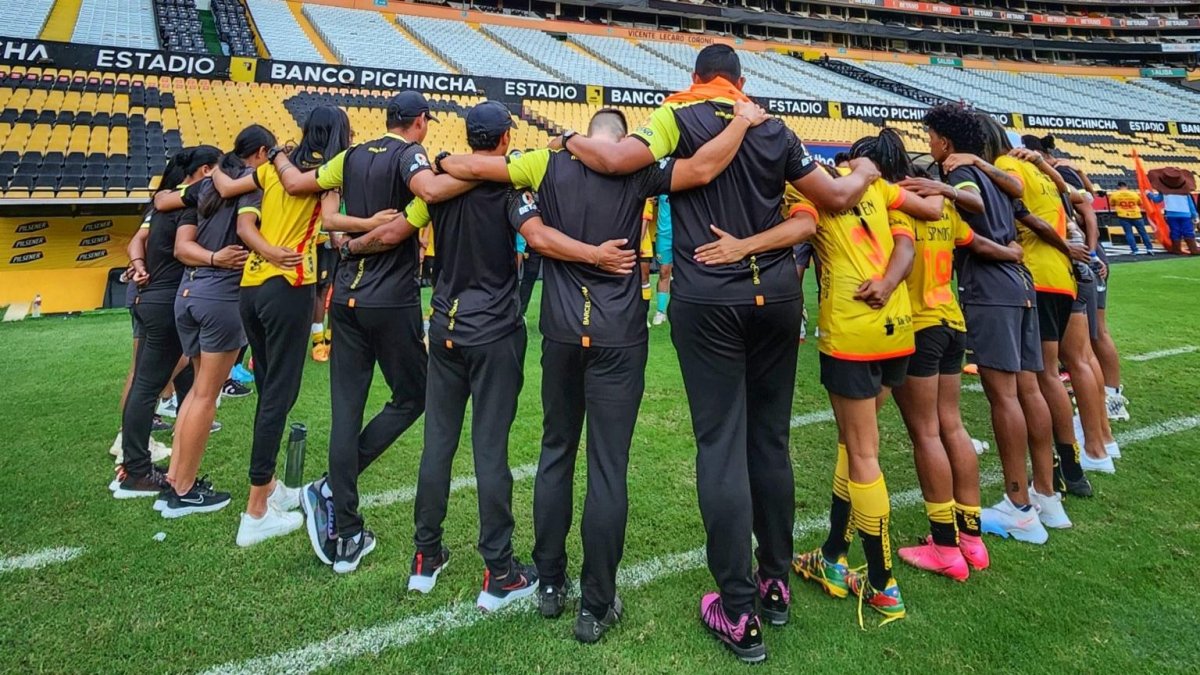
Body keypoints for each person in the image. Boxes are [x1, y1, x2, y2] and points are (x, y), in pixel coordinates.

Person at [549, 44, 881, 662]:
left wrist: (566, 138)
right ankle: (775, 585)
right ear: (740, 81)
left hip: (707, 299)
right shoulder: (771, 123)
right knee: (769, 441)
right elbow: (832, 199)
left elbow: (621, 158)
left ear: (696, 78)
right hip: (777, 295)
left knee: (721, 443)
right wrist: (865, 171)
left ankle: (737, 607)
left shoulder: (678, 113)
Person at [442, 101, 771, 641]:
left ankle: (549, 584)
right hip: (619, 332)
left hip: (563, 331)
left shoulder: (541, 164)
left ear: (589, 138)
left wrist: (434, 156)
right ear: (621, 142)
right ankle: (595, 605)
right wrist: (741, 121)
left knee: (555, 452)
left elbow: (470, 166)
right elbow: (706, 167)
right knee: (607, 468)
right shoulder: (640, 170)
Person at [280, 91, 475, 572]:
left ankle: (343, 521)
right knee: (414, 395)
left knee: (346, 409)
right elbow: (428, 191)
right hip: (390, 302)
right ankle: (330, 488)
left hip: (345, 296)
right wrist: (476, 171)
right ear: (421, 123)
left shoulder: (349, 156)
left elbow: (299, 185)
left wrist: (280, 156)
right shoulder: (411, 154)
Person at [790, 129, 944, 625]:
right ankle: (833, 555)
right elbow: (926, 220)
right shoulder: (883, 191)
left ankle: (882, 584)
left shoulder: (815, 186)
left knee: (863, 452)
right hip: (897, 332)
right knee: (853, 442)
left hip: (852, 333)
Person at [903, 105, 1050, 545]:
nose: (929, 144)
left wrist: (938, 187)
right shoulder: (992, 169)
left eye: (931, 137)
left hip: (990, 290)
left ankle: (1019, 505)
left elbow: (973, 202)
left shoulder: (958, 175)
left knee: (1004, 396)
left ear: (945, 142)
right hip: (1019, 285)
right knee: (1029, 389)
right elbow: (1013, 189)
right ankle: (1043, 494)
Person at [209, 106, 355, 547]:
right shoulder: (325, 173)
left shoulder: (275, 167)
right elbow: (330, 225)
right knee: (279, 394)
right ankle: (255, 512)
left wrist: (218, 159)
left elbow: (230, 185)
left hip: (251, 287)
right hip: (289, 284)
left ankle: (269, 487)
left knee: (270, 387)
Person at [881, 153, 1022, 582]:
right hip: (952, 322)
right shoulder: (945, 212)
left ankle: (943, 545)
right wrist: (1011, 252)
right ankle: (972, 541)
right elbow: (977, 244)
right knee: (952, 426)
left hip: (919, 326)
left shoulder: (899, 209)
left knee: (926, 432)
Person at [154, 125, 271, 518]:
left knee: (196, 393)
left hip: (188, 293)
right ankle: (184, 489)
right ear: (258, 154)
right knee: (207, 395)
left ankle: (174, 479)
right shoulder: (253, 189)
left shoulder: (203, 190)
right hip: (221, 296)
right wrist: (223, 258)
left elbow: (175, 230)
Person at [111, 146, 219, 500]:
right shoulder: (185, 206)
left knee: (156, 379)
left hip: (149, 297)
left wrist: (138, 263)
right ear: (205, 171)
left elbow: (140, 239)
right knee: (148, 386)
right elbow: (180, 251)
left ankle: (138, 462)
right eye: (217, 171)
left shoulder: (165, 204)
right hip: (163, 301)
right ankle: (137, 471)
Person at [1147, 169, 1199, 255]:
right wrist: (1194, 216)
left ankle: (1177, 249)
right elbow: (1191, 205)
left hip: (1171, 215)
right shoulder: (1185, 192)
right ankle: (1193, 249)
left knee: (1175, 231)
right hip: (1185, 214)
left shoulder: (1163, 192)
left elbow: (1157, 200)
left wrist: (1149, 194)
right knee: (1188, 231)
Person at [1108, 181, 1155, 255]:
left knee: (1129, 233)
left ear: (1118, 187)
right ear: (1126, 186)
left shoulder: (1114, 194)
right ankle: (1149, 249)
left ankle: (1134, 250)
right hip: (1136, 215)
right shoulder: (1134, 193)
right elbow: (1140, 203)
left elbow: (1112, 204)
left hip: (1123, 216)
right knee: (1143, 233)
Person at [651, 194, 673, 326]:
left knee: (686, 272)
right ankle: (660, 311)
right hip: (664, 236)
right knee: (664, 272)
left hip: (684, 233)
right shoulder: (662, 187)